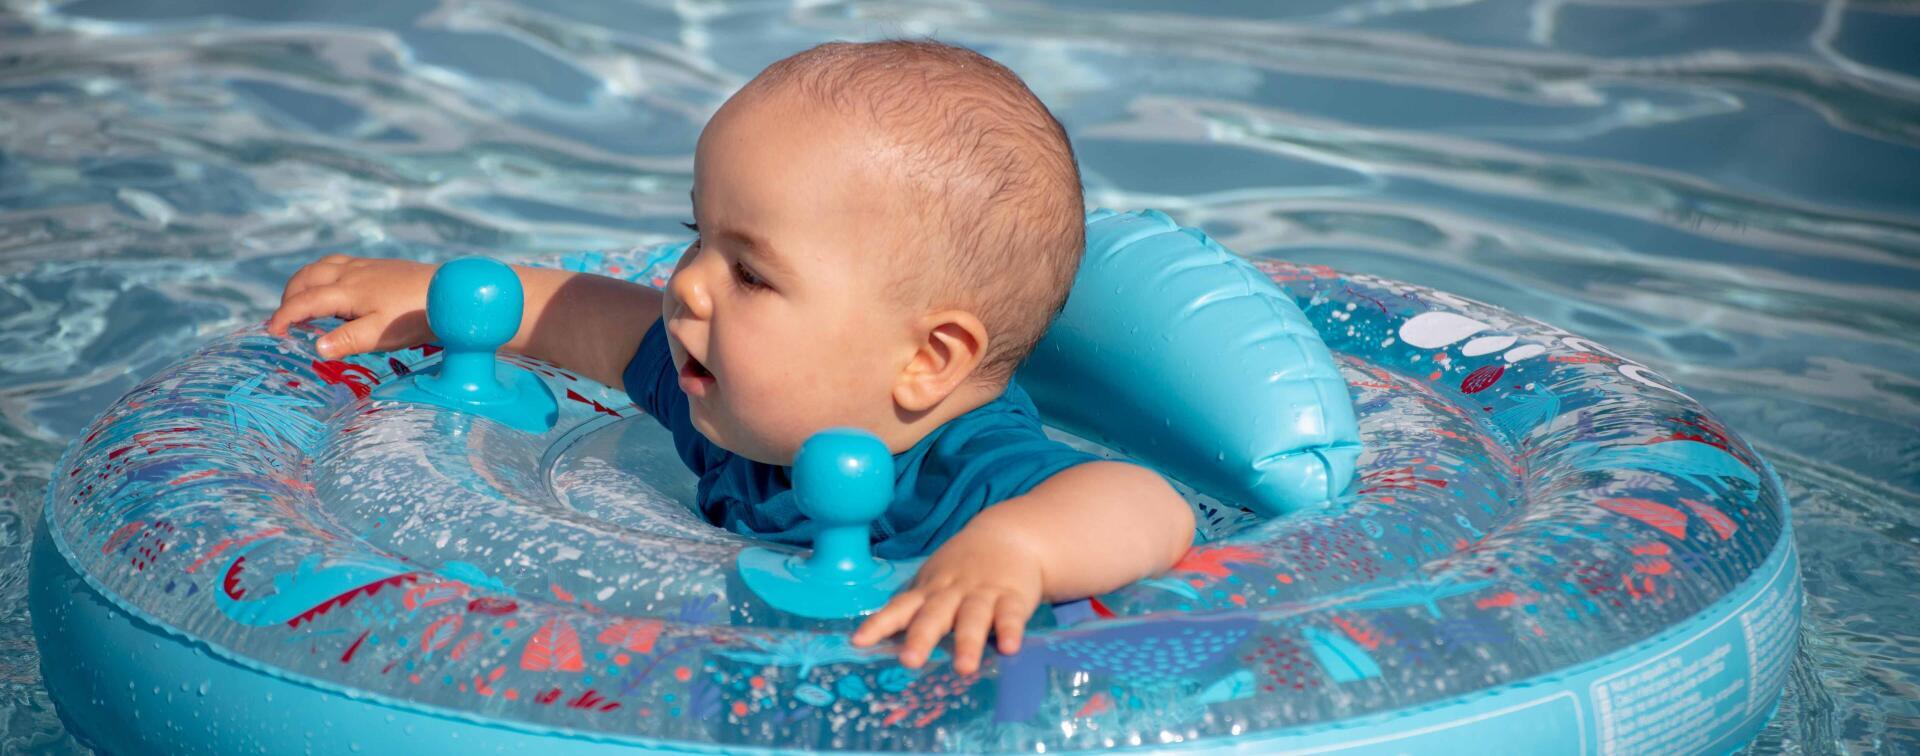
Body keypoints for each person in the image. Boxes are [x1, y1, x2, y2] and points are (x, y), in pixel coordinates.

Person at [267, 39, 1194, 676]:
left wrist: (1014, 550)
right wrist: (440, 295)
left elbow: (1147, 504)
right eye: (694, 237)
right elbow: (593, 321)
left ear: (929, 358)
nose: (689, 288)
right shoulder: (738, 403)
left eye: (748, 273)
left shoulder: (967, 467)